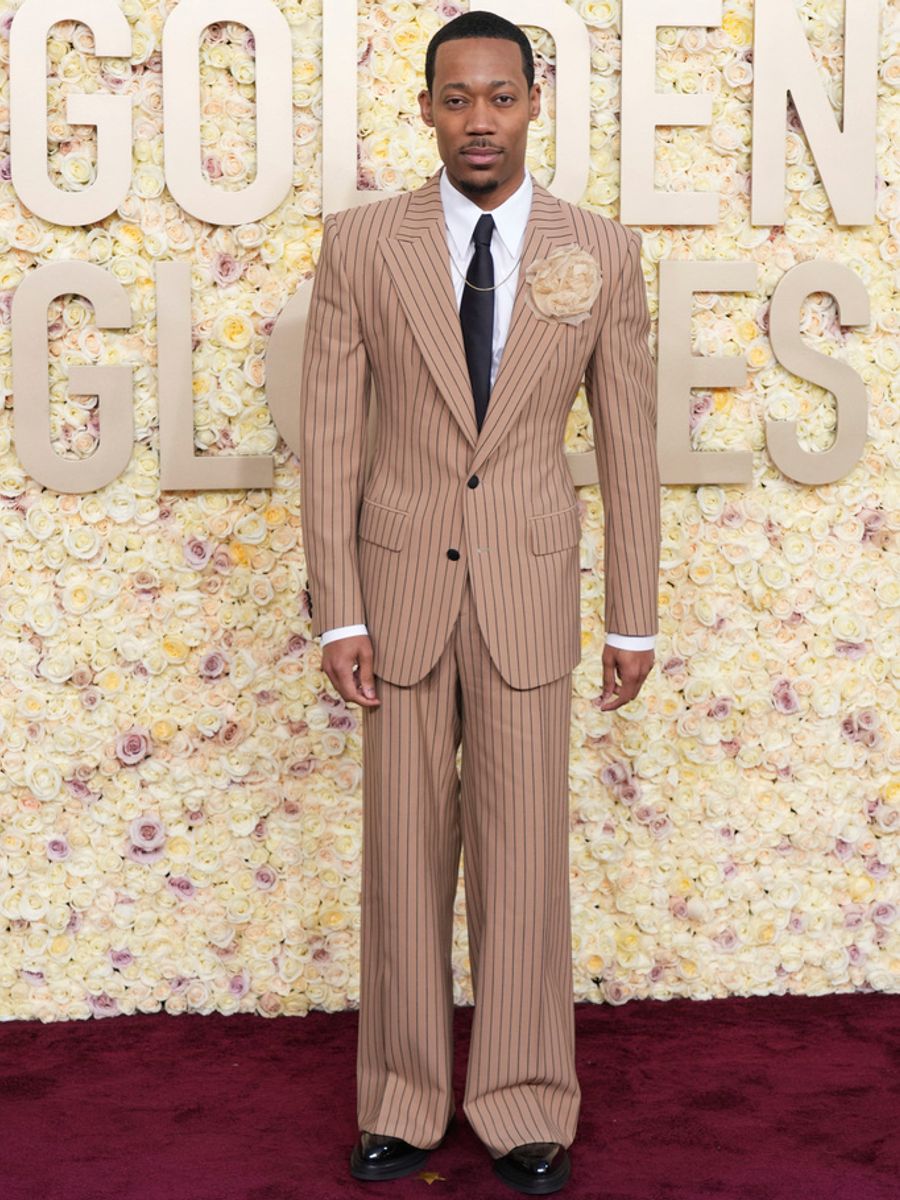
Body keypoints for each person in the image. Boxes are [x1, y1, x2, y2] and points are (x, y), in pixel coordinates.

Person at [299, 11, 660, 1194]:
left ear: (532, 104)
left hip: (527, 590)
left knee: (524, 860)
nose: (479, 121)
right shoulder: (360, 245)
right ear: (425, 110)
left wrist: (633, 614)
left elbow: (630, 442)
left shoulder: (598, 250)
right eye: (457, 99)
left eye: (499, 97)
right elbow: (333, 439)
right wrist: (338, 611)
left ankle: (521, 1102)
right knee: (402, 857)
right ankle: (401, 1099)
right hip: (394, 597)